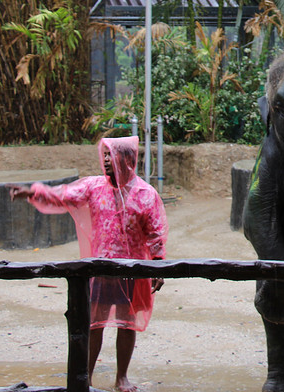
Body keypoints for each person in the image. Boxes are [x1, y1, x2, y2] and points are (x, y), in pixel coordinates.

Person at [9, 133, 167, 392]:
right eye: (103, 155)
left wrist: (159, 264)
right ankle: (87, 377)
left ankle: (121, 378)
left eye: (111, 155)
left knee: (127, 323)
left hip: (132, 269)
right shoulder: (94, 187)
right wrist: (32, 192)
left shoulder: (145, 194)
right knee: (95, 322)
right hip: (100, 268)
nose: (105, 160)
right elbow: (63, 195)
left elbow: (155, 233)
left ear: (127, 159)